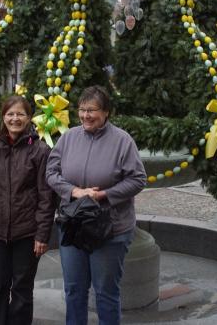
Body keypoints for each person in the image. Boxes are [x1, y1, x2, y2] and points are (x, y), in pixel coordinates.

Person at [45, 85, 147, 325]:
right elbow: (51, 172)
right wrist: (74, 192)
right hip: (73, 226)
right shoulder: (68, 137)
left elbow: (138, 179)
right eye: (81, 110)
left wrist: (105, 195)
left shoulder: (122, 141)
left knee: (105, 293)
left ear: (106, 112)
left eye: (92, 110)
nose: (85, 116)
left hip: (110, 229)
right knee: (74, 290)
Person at [0, 95, 56, 325]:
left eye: (20, 114)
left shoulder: (40, 151)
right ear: (3, 117)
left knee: (22, 289)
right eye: (10, 114)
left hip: (26, 233)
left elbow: (46, 196)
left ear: (29, 118)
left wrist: (42, 234)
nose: (15, 118)